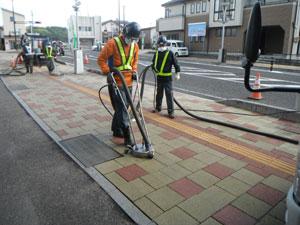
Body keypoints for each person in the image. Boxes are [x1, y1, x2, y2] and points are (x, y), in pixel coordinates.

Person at [97, 22, 141, 146]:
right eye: (130, 38)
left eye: (134, 39)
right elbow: (101, 60)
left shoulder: (135, 46)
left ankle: (116, 130)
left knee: (124, 107)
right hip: (116, 81)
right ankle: (127, 135)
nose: (131, 41)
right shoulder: (112, 43)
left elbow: (135, 60)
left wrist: (134, 70)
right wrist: (108, 73)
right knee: (121, 108)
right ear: (125, 33)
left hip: (128, 81)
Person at [152, 35, 181, 118]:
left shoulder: (170, 53)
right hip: (159, 78)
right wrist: (152, 67)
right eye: (160, 45)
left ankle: (171, 112)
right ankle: (158, 107)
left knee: (169, 95)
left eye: (163, 45)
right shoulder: (157, 53)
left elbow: (176, 63)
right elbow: (154, 62)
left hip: (168, 78)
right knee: (159, 94)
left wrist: (177, 73)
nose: (161, 47)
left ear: (166, 44)